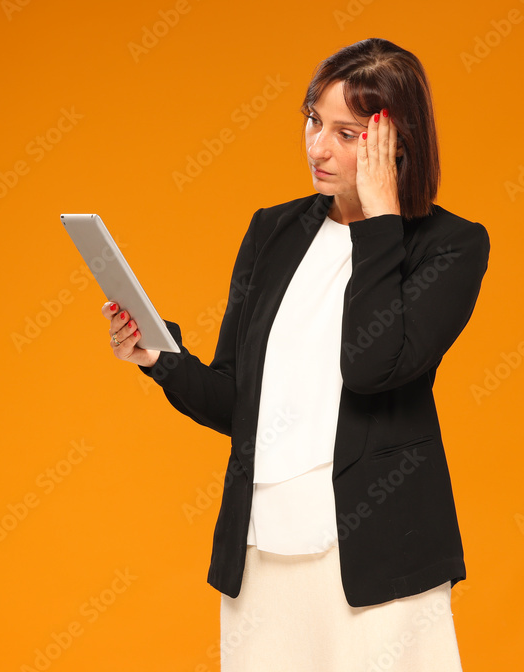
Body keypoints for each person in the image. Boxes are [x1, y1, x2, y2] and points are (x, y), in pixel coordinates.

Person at [102, 37, 489, 671]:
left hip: (374, 560)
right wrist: (159, 358)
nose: (317, 146)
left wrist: (378, 222)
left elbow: (372, 367)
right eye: (313, 120)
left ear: (396, 143)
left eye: (346, 132)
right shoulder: (272, 232)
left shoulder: (449, 247)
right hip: (261, 555)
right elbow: (235, 403)